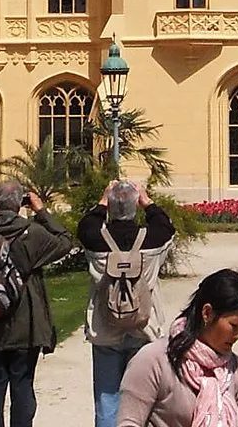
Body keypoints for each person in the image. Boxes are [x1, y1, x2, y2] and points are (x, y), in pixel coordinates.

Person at [0, 180, 75, 427]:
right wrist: (41, 211)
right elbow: (65, 240)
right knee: (22, 383)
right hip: (24, 319)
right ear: (20, 204)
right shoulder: (31, 234)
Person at [116, 269, 238, 427]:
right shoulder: (154, 360)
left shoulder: (237, 370)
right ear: (207, 313)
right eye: (234, 325)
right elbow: (129, 422)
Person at [78, 179, 176, 427]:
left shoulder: (96, 239)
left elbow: (86, 226)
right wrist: (147, 200)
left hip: (105, 327)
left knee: (107, 402)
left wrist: (103, 201)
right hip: (144, 327)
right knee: (143, 403)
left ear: (110, 208)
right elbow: (165, 225)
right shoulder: (152, 239)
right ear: (137, 206)